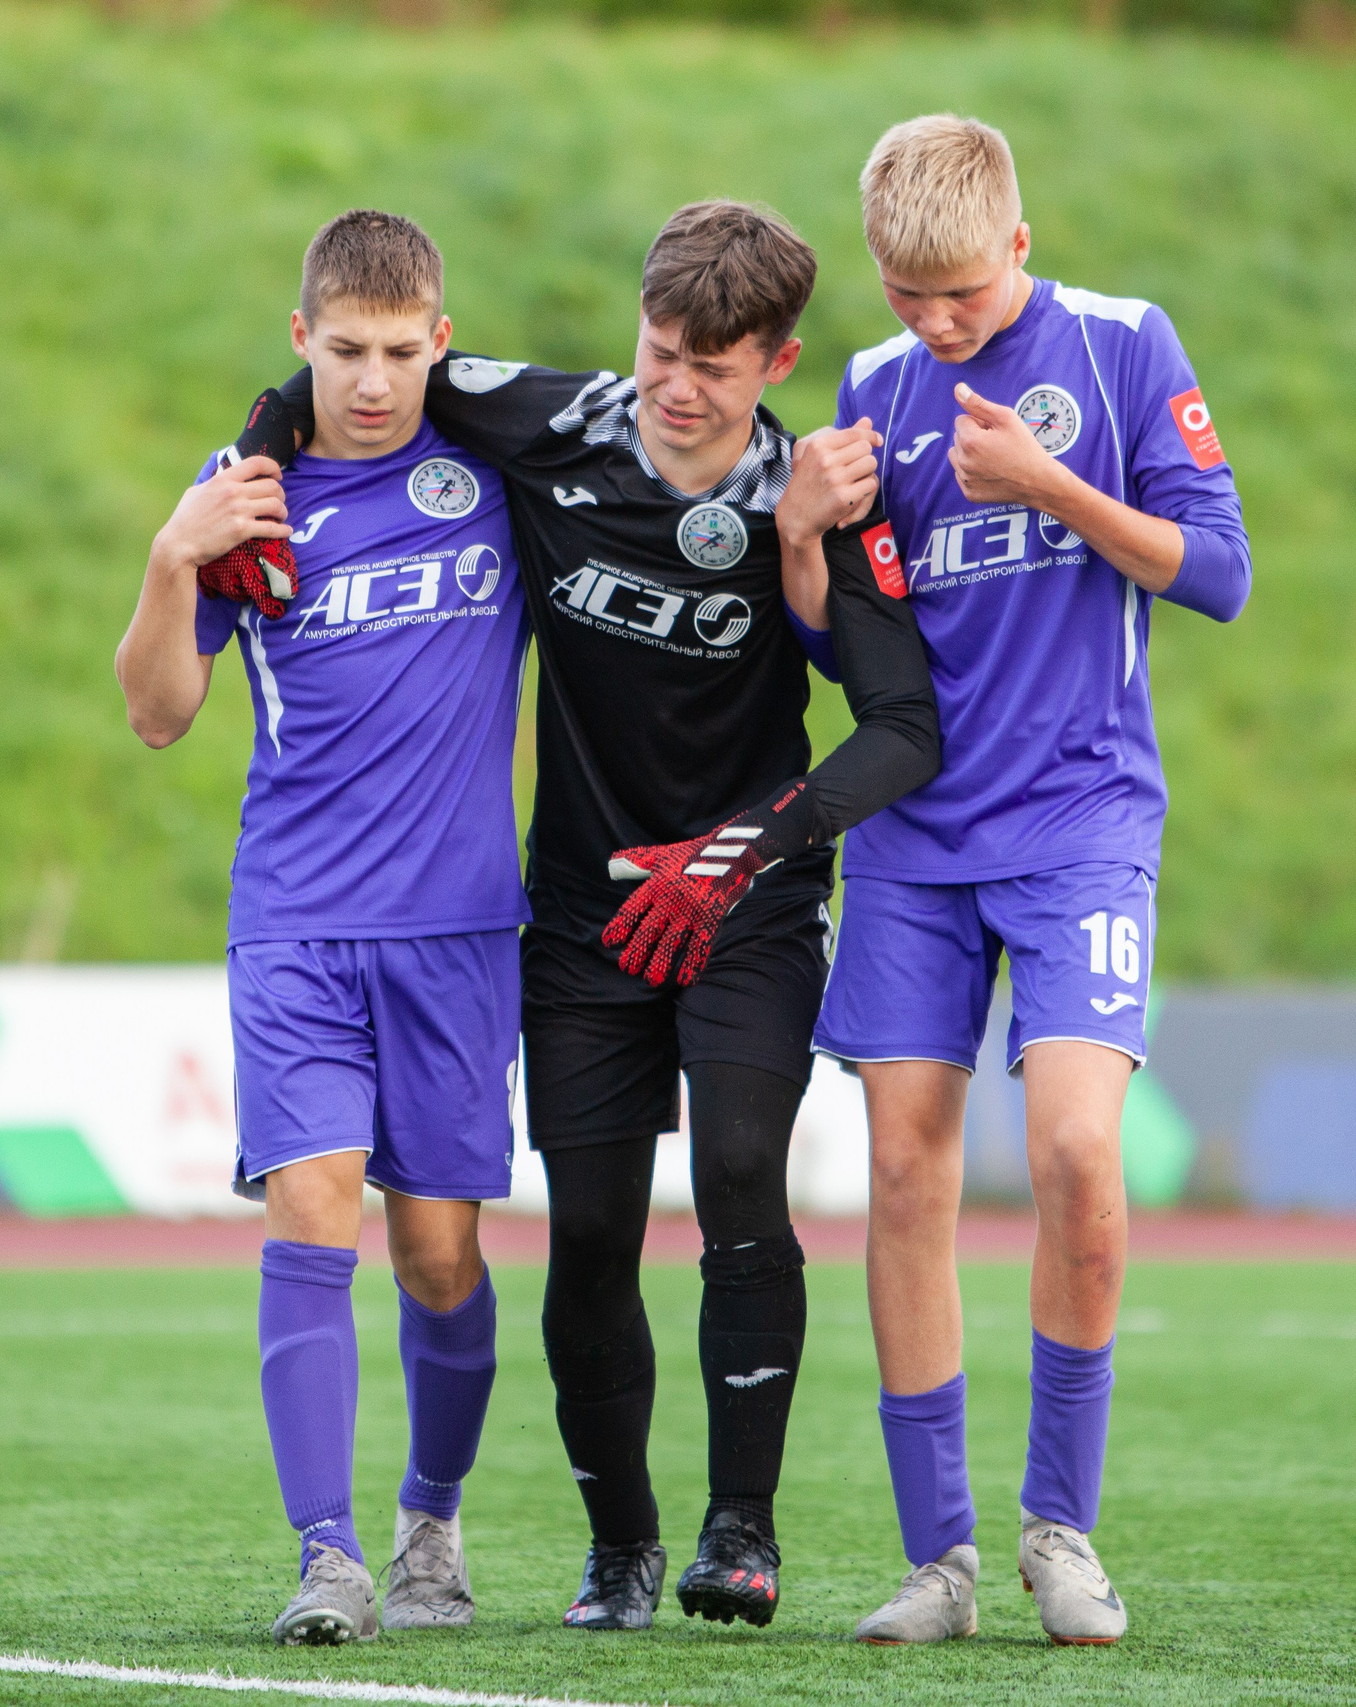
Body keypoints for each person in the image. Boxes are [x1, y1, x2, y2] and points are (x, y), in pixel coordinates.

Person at [256, 199, 941, 1632]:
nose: (678, 386)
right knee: (592, 1230)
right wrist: (258, 461)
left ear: (779, 358)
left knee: (747, 1173)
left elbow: (901, 732)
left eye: (716, 363)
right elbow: (344, 370)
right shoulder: (552, 422)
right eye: (660, 349)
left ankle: (738, 1533)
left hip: (745, 899)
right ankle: (618, 1547)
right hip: (579, 915)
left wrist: (744, 851)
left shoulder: (813, 496)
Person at [790, 116, 1251, 1647]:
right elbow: (849, 648)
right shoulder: (867, 388)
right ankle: (943, 1562)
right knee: (908, 1176)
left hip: (1080, 822)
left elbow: (1220, 574)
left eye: (964, 300)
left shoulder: (1123, 345)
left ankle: (1063, 1530)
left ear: (1021, 247)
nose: (933, 326)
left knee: (1073, 1161)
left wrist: (1052, 485)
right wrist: (807, 541)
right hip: (918, 840)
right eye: (906, 297)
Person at [115, 212, 528, 1645]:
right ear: (302, 341)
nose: (371, 379)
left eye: (400, 351)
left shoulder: (496, 480)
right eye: (344, 350)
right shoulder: (246, 497)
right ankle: (329, 1555)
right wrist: (174, 558)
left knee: (438, 1258)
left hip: (462, 935)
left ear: (440, 342)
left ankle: (431, 1517)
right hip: (294, 924)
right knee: (311, 1212)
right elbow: (160, 713)